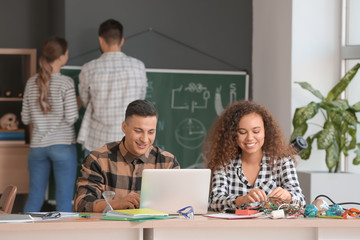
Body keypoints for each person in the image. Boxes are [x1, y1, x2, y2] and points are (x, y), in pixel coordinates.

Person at [73, 100, 180, 212]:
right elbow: (81, 204)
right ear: (124, 127)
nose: (144, 139)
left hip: (155, 228)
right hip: (109, 229)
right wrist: (117, 204)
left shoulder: (168, 162)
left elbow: (180, 204)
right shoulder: (98, 159)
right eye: (138, 131)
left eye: (151, 132)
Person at [204, 100, 305, 212]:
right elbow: (214, 202)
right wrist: (242, 200)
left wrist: (289, 196)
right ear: (233, 135)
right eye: (242, 132)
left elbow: (301, 202)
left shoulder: (282, 161)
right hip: (234, 229)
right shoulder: (224, 163)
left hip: (272, 228)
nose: (250, 138)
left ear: (266, 131)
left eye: (256, 131)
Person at [21, 36, 79, 212]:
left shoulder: (31, 82)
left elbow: (25, 118)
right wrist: (78, 103)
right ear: (62, 56)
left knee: (35, 198)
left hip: (37, 146)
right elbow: (71, 118)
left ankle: (21, 236)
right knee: (64, 200)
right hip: (62, 147)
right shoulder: (66, 82)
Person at [77, 19, 148, 155]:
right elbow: (140, 101)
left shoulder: (89, 68)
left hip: (97, 142)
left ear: (101, 40)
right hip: (129, 141)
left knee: (94, 176)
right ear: (122, 40)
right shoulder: (138, 67)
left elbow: (86, 101)